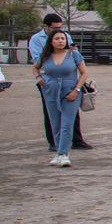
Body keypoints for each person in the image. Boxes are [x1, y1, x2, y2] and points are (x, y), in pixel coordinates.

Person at [29, 12, 90, 152]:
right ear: (46, 26)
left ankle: (76, 140)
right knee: (50, 111)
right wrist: (40, 80)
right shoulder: (36, 39)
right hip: (49, 79)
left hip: (68, 80)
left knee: (72, 111)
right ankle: (53, 141)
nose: (60, 35)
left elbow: (72, 52)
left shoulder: (65, 36)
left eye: (60, 28)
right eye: (55, 28)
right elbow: (38, 60)